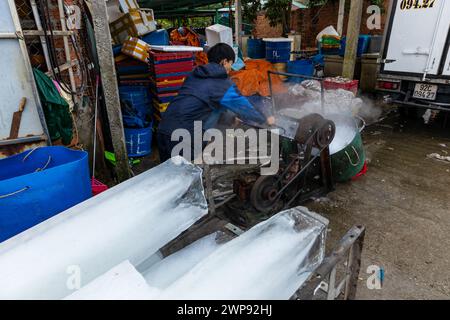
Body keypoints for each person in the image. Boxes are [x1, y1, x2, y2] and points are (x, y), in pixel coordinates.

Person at [157, 43, 274, 162]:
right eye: (230, 64)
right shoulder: (221, 82)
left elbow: (205, 105)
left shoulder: (195, 75)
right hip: (183, 136)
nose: (230, 70)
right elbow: (243, 107)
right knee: (186, 176)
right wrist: (265, 118)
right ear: (224, 62)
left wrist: (230, 119)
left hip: (164, 129)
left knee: (168, 177)